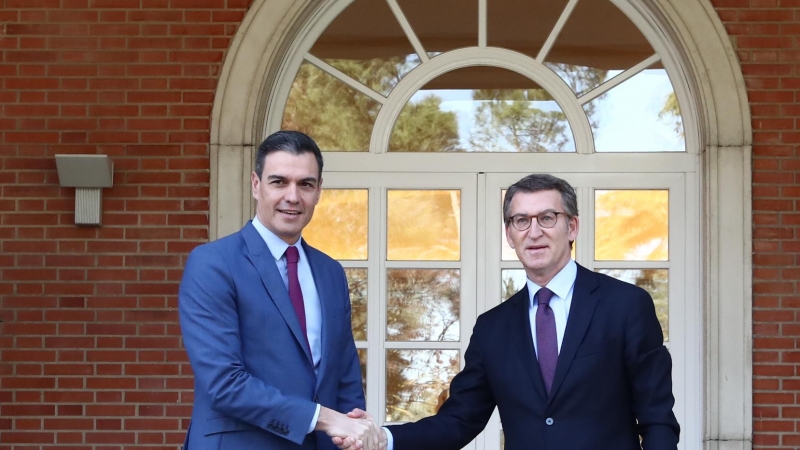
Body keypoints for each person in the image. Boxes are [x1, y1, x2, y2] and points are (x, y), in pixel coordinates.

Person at [338, 173, 680, 450]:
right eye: (521, 220)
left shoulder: (625, 305)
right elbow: (459, 421)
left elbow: (657, 418)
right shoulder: (492, 329)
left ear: (572, 227)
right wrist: (384, 437)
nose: (534, 232)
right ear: (509, 234)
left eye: (547, 217)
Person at [179, 130, 378, 450]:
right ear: (256, 185)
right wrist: (325, 419)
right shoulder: (213, 264)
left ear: (319, 191)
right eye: (279, 182)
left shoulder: (330, 273)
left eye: (306, 184)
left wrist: (354, 430)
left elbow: (345, 378)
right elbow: (223, 383)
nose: (293, 196)